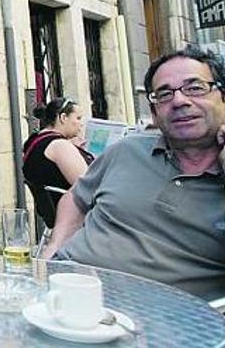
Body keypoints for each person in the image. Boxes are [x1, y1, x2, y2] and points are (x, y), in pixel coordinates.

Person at [42, 46, 225, 301]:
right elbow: (75, 197)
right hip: (64, 291)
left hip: (162, 326)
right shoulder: (127, 150)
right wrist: (54, 247)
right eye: (164, 94)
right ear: (154, 113)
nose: (179, 101)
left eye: (195, 88)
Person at [22, 97, 94, 228]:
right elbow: (89, 186)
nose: (81, 124)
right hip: (75, 217)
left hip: (53, 215)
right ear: (63, 118)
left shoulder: (34, 141)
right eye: (77, 118)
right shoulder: (59, 146)